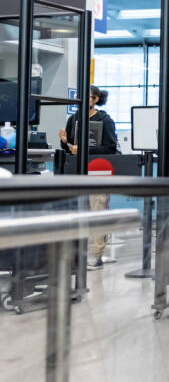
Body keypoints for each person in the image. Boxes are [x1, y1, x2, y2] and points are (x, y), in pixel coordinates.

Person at [59, 85, 118, 270]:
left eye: (89, 97)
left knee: (97, 209)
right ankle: (76, 254)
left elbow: (110, 148)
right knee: (76, 212)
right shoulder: (73, 119)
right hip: (78, 170)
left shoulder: (105, 120)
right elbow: (70, 148)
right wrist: (64, 142)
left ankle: (97, 253)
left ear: (96, 99)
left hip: (98, 170)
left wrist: (83, 148)